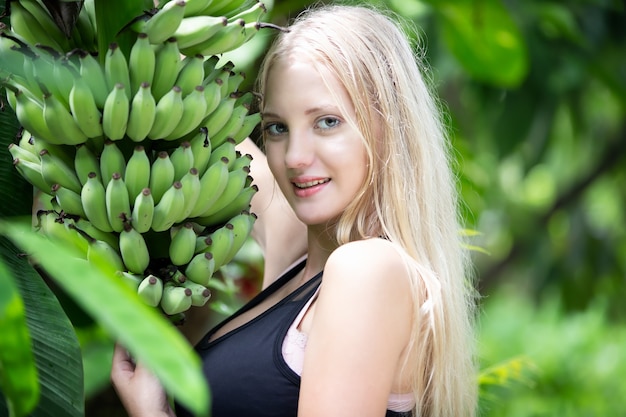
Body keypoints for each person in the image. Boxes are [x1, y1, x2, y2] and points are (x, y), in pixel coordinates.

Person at [111, 3, 478, 417]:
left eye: (326, 122)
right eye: (277, 128)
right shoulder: (301, 259)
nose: (295, 158)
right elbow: (204, 122)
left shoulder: (367, 270)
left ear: (387, 125)